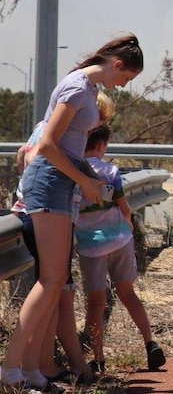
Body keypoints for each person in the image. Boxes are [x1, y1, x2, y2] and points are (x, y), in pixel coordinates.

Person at [0, 34, 144, 394]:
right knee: (51, 283)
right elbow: (47, 145)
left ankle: (31, 370)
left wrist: (87, 177)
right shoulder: (79, 89)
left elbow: (64, 146)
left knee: (54, 285)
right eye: (125, 78)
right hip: (50, 184)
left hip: (60, 185)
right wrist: (85, 179)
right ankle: (10, 368)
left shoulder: (85, 89)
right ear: (117, 64)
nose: (122, 85)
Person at [10, 92, 115, 384]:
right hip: (46, 215)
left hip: (45, 213)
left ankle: (41, 367)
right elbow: (36, 157)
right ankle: (30, 366)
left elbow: (23, 154)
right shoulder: (60, 134)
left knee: (58, 293)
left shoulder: (48, 128)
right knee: (52, 291)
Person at [76, 124, 166, 374]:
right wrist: (128, 226)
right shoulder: (111, 171)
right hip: (119, 239)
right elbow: (124, 207)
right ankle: (150, 343)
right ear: (102, 145)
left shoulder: (73, 171)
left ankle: (99, 358)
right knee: (127, 293)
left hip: (91, 244)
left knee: (95, 303)